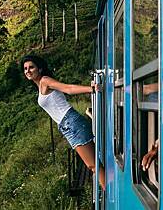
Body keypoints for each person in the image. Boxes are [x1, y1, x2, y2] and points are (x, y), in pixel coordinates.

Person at [21, 54, 106, 190]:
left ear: (40, 68)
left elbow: (68, 89)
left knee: (93, 165)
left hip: (71, 123)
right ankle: (110, 191)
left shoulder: (45, 80)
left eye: (31, 67)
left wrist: (91, 89)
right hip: (68, 126)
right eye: (25, 69)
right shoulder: (40, 85)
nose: (28, 71)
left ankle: (111, 196)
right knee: (94, 164)